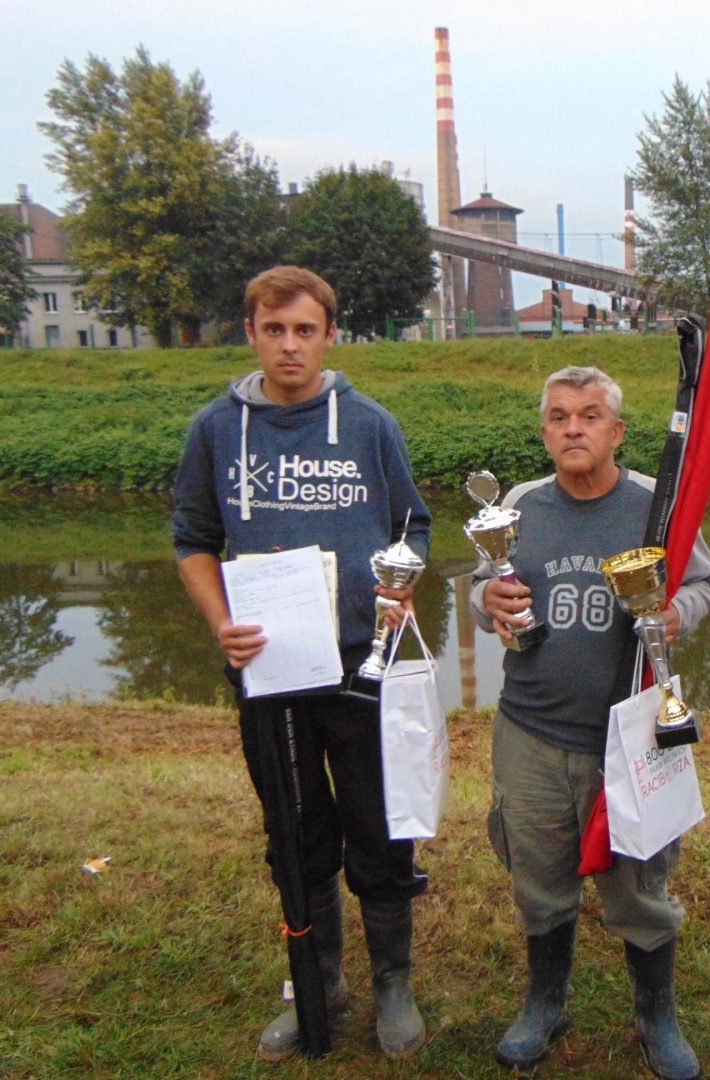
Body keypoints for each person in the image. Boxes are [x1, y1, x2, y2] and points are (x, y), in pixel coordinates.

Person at [171, 266, 433, 1062]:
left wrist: (401, 588)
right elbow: (192, 541)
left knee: (378, 829)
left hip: (361, 667)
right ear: (250, 331)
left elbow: (411, 527)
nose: (290, 345)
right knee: (294, 834)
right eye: (274, 329)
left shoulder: (369, 425)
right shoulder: (216, 429)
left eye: (305, 330)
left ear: (329, 335)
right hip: (270, 673)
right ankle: (317, 982)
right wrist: (222, 625)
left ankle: (393, 980)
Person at [472, 365, 710, 1080]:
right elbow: (484, 593)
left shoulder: (658, 506)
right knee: (539, 877)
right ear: (545, 430)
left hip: (634, 733)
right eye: (558, 417)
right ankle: (545, 1001)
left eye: (588, 416)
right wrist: (488, 602)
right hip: (532, 733)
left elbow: (709, 584)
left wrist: (679, 613)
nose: (572, 428)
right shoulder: (518, 506)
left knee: (641, 883)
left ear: (616, 431)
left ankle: (656, 1015)